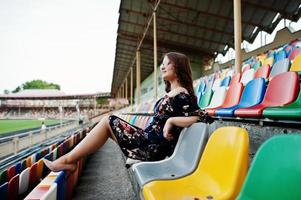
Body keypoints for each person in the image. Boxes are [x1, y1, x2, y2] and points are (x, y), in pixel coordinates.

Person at [43, 52, 213, 172]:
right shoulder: (171, 93)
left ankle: (67, 161)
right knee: (108, 122)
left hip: (154, 147)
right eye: (162, 63)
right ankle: (69, 161)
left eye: (166, 63)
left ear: (178, 67)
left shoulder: (182, 94)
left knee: (108, 121)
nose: (162, 67)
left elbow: (202, 117)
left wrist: (171, 121)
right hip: (148, 140)